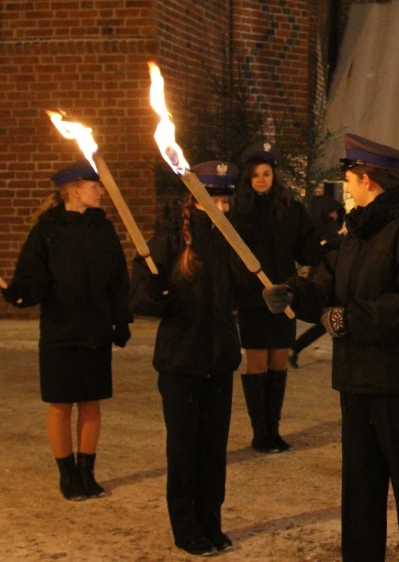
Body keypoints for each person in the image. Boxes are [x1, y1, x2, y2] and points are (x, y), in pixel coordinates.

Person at [262, 133, 399, 562]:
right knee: (360, 484)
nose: (345, 185)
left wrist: (350, 319)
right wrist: (293, 292)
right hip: (356, 377)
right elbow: (327, 286)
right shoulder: (358, 231)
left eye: (349, 177)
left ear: (368, 179)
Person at [129, 160, 250, 556]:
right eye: (215, 198)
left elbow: (244, 285)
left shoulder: (231, 237)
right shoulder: (171, 237)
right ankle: (186, 527)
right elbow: (141, 287)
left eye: (226, 199)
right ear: (197, 199)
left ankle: (211, 522)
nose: (223, 206)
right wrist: (157, 298)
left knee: (214, 449)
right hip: (180, 358)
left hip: (219, 357)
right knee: (184, 448)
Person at [1, 160, 132, 501]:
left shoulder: (103, 229)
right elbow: (33, 276)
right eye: (94, 186)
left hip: (95, 330)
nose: (100, 191)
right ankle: (67, 475)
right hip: (61, 330)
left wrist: (120, 320)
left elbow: (118, 279)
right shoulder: (47, 230)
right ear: (74, 190)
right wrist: (18, 292)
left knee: (91, 403)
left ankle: (87, 474)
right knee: (61, 404)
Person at [232, 142, 322, 453]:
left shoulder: (291, 210)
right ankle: (260, 432)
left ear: (274, 176)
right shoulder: (237, 212)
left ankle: (274, 429)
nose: (261, 179)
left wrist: (325, 240)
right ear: (247, 178)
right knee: (257, 361)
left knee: (279, 360)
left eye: (266, 173)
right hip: (252, 298)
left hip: (284, 296)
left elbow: (306, 247)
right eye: (255, 174)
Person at [287, 191, 346, 368]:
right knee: (327, 319)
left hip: (336, 277)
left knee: (330, 320)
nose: (334, 216)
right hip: (323, 276)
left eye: (336, 212)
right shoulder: (318, 234)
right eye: (330, 213)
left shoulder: (336, 232)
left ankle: (296, 348)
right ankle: (296, 347)